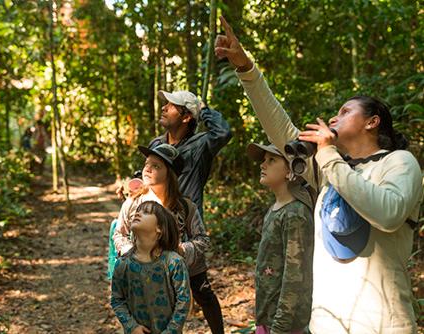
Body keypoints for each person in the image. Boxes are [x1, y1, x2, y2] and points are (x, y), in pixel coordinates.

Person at [215, 16, 423, 334]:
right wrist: (245, 66)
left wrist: (326, 153)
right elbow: (279, 126)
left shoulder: (399, 163)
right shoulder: (330, 168)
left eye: (345, 112)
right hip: (326, 324)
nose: (332, 117)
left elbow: (388, 213)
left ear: (373, 122)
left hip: (382, 325)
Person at [113, 143, 225, 334]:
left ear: (169, 173)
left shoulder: (185, 206)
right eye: (147, 164)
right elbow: (119, 233)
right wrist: (132, 253)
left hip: (182, 265)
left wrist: (182, 250)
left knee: (203, 296)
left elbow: (202, 239)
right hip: (142, 268)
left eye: (156, 166)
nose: (148, 169)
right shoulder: (133, 204)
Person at [246, 143, 314, 334]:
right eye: (263, 160)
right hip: (267, 316)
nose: (262, 165)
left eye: (272, 160)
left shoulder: (295, 214)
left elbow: (295, 276)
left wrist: (280, 326)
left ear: (290, 172)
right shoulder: (274, 210)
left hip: (287, 324)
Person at [111, 200, 191, 333]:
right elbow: (117, 300)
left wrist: (171, 331)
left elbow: (183, 300)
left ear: (159, 229)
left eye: (146, 212)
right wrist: (132, 327)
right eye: (137, 211)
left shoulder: (174, 263)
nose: (138, 214)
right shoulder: (123, 264)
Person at [149, 90, 232, 217]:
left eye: (172, 105)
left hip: (186, 227)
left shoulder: (200, 146)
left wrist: (203, 110)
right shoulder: (156, 144)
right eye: (166, 103)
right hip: (155, 221)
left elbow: (222, 133)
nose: (164, 108)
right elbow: (147, 175)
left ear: (186, 117)